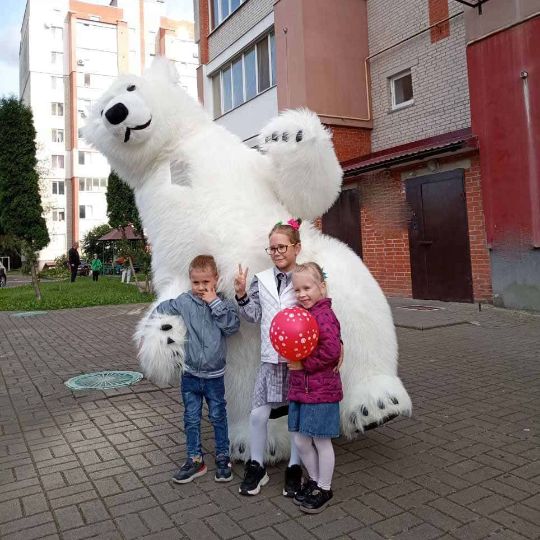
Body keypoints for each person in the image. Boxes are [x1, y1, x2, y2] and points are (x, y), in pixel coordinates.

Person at [154, 255, 240, 484]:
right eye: (196, 283)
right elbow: (161, 309)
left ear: (216, 280)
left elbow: (232, 327)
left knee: (218, 416)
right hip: (190, 375)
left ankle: (223, 458)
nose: (201, 288)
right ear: (190, 281)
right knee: (191, 418)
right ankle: (195, 460)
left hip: (214, 377)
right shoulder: (184, 302)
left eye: (206, 283)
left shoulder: (222, 303)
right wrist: (151, 333)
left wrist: (215, 303)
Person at [234, 218, 303, 497]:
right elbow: (253, 316)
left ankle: (295, 467)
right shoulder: (260, 280)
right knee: (258, 414)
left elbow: (321, 312)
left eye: (282, 247)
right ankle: (257, 465)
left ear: (297, 248)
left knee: (297, 414)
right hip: (271, 359)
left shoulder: (307, 277)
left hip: (300, 362)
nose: (277, 252)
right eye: (272, 248)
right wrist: (240, 296)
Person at [287, 262, 342, 513]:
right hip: (302, 389)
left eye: (307, 288)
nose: (302, 294)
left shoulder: (324, 315)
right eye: (297, 290)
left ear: (322, 287)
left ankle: (324, 487)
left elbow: (331, 350)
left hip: (321, 391)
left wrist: (303, 364)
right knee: (300, 440)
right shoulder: (301, 314)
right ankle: (316, 480)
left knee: (320, 441)